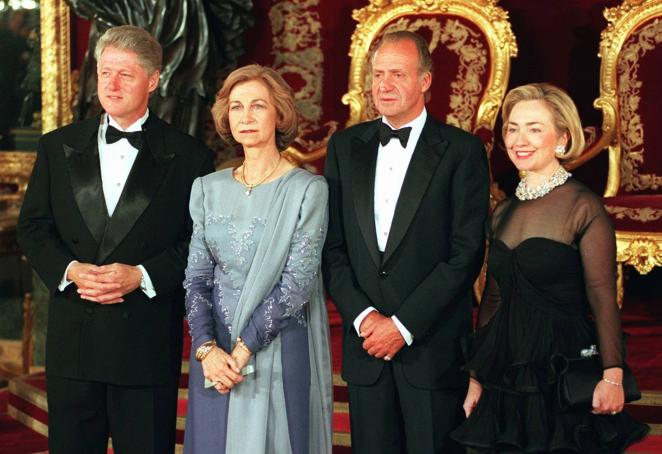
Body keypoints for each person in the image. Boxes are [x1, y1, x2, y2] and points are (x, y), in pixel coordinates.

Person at [17, 25, 214, 454]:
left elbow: (199, 244)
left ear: (154, 80)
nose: (112, 83)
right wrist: (70, 271)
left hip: (143, 339)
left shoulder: (190, 156)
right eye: (106, 72)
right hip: (74, 339)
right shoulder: (57, 146)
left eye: (125, 74)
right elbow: (33, 226)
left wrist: (141, 275)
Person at [451, 83, 649, 452]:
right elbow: (493, 299)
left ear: (562, 137)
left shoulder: (583, 207)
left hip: (560, 367)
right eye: (512, 128)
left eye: (534, 128)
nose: (519, 139)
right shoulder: (502, 212)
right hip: (508, 370)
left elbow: (602, 294)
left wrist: (612, 373)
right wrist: (477, 377)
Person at [323, 30, 490, 453]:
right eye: (378, 74)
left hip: (430, 349)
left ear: (426, 80)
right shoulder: (344, 147)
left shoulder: (462, 151)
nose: (384, 85)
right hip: (366, 351)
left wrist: (402, 325)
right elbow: (331, 247)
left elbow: (465, 254)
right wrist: (365, 319)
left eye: (397, 74)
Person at [183, 64, 332, 454]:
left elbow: (296, 285)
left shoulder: (308, 190)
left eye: (257, 106)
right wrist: (206, 349)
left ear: (279, 114)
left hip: (278, 349)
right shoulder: (206, 188)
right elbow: (196, 279)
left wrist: (242, 350)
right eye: (236, 107)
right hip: (215, 359)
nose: (245, 117)